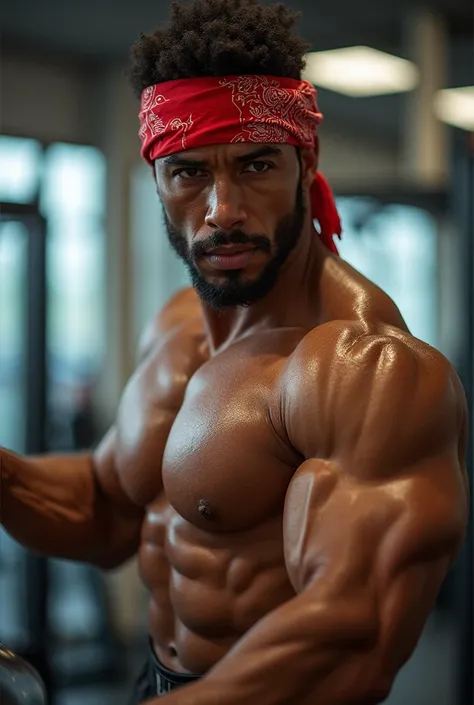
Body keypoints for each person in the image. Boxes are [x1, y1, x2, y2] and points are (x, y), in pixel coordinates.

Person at [0, 0, 469, 703]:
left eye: (255, 165)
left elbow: (353, 636)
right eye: (188, 172)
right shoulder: (177, 328)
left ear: (305, 163)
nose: (222, 208)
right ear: (156, 180)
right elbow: (107, 510)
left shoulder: (362, 366)